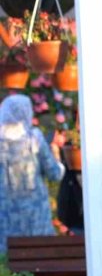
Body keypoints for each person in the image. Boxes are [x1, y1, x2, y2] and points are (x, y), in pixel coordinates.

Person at [0, 94, 64, 253]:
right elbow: (55, 174)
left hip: (5, 228)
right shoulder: (34, 139)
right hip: (37, 226)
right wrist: (56, 154)